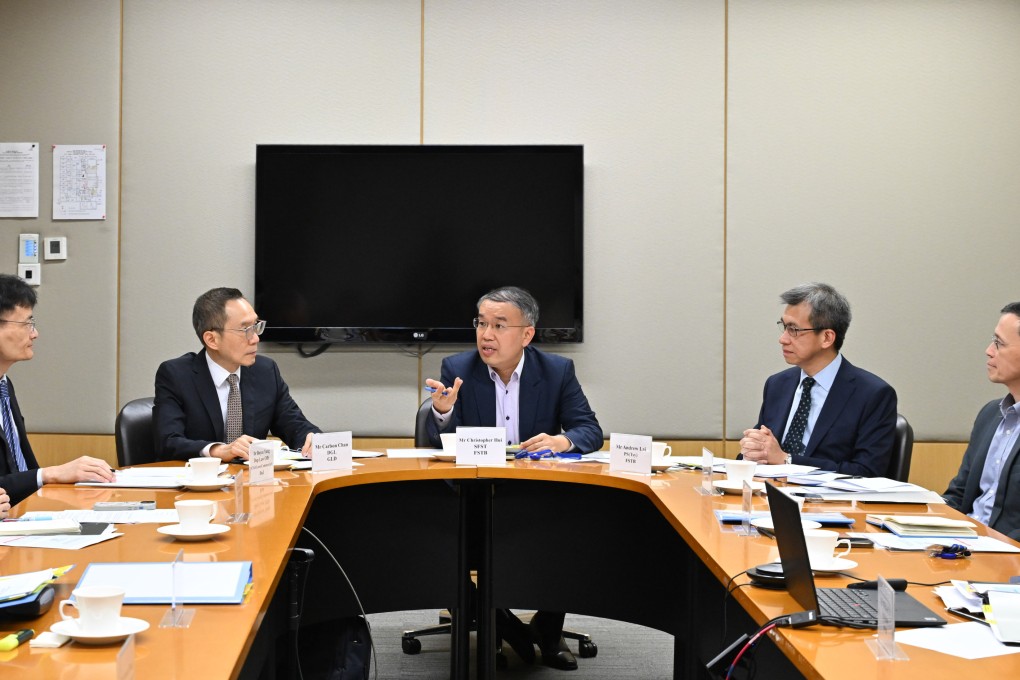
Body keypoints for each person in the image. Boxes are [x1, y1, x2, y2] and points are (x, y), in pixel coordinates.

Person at [425, 285, 602, 671]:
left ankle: (548, 630)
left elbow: (589, 429)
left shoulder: (556, 371)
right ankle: (499, 623)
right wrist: (441, 413)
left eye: (499, 325)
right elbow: (432, 445)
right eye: (481, 323)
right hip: (473, 498)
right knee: (436, 539)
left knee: (575, 527)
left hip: (536, 496)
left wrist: (562, 439)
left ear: (526, 334)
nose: (486, 335)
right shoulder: (457, 370)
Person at [739, 283, 897, 477]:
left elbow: (867, 472)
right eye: (784, 327)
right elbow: (763, 452)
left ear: (827, 338)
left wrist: (787, 461)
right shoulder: (777, 385)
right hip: (769, 496)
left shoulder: (873, 394)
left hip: (832, 504)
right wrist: (751, 450)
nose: (783, 339)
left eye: (794, 330)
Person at [154, 287, 320, 462]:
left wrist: (312, 438)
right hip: (200, 483)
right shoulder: (176, 375)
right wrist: (218, 450)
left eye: (256, 326)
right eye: (245, 330)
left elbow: (294, 424)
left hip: (254, 484)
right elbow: (168, 442)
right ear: (212, 339)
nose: (255, 338)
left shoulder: (265, 371)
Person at [0, 274, 115, 506]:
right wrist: (49, 474)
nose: (34, 334)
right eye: (26, 324)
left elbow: (20, 469)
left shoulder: (4, 386)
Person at [943, 302, 1020, 540]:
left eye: (999, 343)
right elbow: (959, 494)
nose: (989, 350)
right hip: (966, 545)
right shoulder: (990, 414)